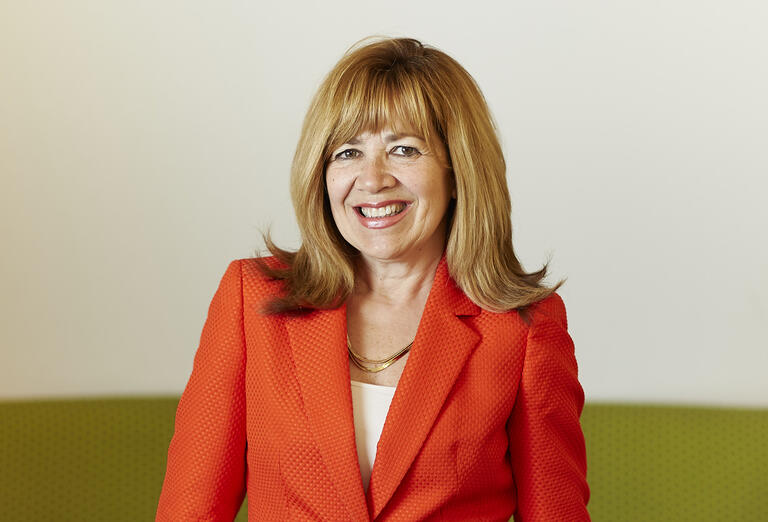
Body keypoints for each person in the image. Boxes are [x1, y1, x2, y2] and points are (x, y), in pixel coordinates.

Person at [156, 36, 590, 521]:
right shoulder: (250, 300)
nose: (372, 178)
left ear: (457, 171)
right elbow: (189, 510)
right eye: (347, 152)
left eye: (404, 149)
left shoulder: (522, 329)